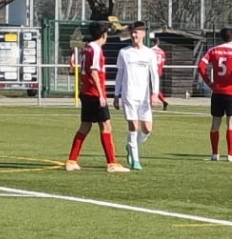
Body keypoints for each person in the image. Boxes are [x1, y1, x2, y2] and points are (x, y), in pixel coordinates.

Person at [65, 22, 126, 173]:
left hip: (86, 92)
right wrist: (101, 94)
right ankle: (112, 163)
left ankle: (72, 160)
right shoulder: (96, 49)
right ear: (104, 35)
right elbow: (93, 72)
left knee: (85, 126)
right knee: (106, 126)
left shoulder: (86, 48)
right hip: (94, 94)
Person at [197, 25, 232, 162]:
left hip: (217, 91)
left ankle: (215, 154)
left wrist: (209, 82)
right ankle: (231, 155)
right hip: (231, 91)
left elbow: (201, 66)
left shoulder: (213, 50)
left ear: (221, 37)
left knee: (215, 122)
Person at [116, 22, 164, 170]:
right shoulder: (124, 52)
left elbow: (154, 75)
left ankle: (131, 146)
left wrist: (155, 93)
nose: (134, 35)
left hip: (144, 96)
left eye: (137, 32)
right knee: (133, 126)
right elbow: (120, 74)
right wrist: (116, 94)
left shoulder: (149, 53)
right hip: (129, 94)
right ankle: (135, 160)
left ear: (143, 33)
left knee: (147, 129)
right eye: (132, 32)